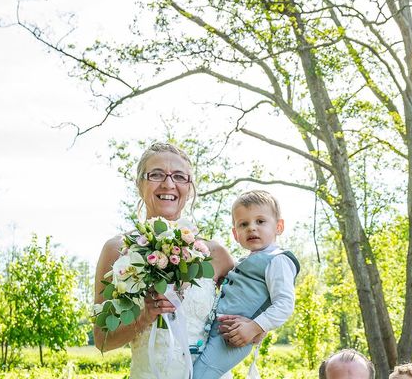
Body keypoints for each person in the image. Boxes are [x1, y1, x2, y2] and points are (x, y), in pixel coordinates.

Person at [93, 142, 235, 379]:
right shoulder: (116, 249)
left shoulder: (215, 253)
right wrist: (143, 316)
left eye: (179, 176)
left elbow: (253, 304)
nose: (169, 184)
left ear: (189, 187)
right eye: (157, 174)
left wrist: (257, 328)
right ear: (140, 183)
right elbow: (102, 340)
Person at [192, 190, 300, 378]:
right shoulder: (245, 260)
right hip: (218, 332)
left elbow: (284, 304)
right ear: (235, 234)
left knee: (200, 375)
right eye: (244, 224)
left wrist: (255, 327)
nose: (251, 228)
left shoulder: (278, 260)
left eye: (260, 221)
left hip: (235, 337)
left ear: (279, 226)